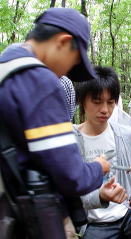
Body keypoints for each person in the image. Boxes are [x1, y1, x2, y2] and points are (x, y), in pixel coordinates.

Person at [0, 7, 118, 238]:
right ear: (63, 42)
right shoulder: (39, 80)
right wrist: (98, 166)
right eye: (73, 62)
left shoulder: (6, 69)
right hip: (27, 215)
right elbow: (71, 176)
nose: (66, 72)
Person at [73, 66, 131, 239]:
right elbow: (67, 192)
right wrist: (99, 195)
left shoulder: (126, 135)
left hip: (129, 213)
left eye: (111, 102)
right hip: (92, 223)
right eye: (97, 102)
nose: (105, 109)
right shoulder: (71, 140)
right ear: (83, 100)